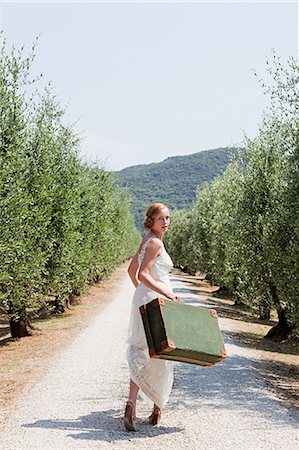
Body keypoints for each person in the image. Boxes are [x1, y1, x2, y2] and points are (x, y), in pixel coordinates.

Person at [124, 202, 180, 432]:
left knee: (141, 351)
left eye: (168, 218)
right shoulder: (155, 242)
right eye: (161, 219)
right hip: (157, 302)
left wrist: (142, 293)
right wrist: (165, 293)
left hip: (146, 299)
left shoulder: (147, 239)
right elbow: (141, 273)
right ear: (151, 220)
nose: (165, 222)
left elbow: (131, 271)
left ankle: (131, 405)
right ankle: (156, 409)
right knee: (162, 351)